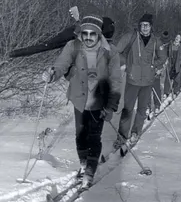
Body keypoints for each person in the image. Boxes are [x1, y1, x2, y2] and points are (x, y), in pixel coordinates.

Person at [42, 15, 122, 189]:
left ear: (99, 34)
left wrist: (111, 105)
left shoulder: (110, 51)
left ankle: (90, 172)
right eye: (84, 33)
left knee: (94, 137)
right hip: (79, 98)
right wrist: (52, 73)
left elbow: (116, 80)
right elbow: (62, 63)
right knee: (80, 136)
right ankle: (84, 164)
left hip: (99, 101)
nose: (87, 37)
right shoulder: (73, 46)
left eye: (92, 34)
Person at [115, 13, 167, 148]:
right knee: (127, 109)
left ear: (151, 27)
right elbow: (117, 51)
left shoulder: (155, 41)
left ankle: (135, 132)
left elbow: (163, 57)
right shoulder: (131, 37)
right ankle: (121, 137)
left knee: (142, 110)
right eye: (142, 25)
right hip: (132, 80)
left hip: (148, 82)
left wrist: (154, 65)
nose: (145, 28)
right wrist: (126, 63)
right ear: (139, 26)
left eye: (147, 25)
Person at [147, 30, 170, 120]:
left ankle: (157, 105)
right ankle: (147, 107)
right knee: (147, 90)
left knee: (156, 88)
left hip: (156, 70)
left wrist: (155, 66)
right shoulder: (144, 44)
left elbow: (162, 58)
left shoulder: (158, 43)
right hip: (146, 71)